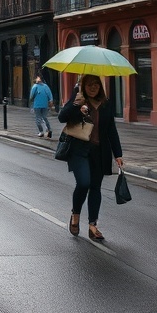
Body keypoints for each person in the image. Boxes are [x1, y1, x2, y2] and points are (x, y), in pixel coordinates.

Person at [57, 74, 123, 241]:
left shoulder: (106, 104)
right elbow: (62, 117)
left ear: (100, 86)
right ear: (83, 86)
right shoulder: (78, 100)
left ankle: (93, 226)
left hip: (99, 152)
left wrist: (118, 154)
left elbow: (111, 130)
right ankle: (75, 214)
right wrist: (76, 105)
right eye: (89, 85)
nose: (93, 87)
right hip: (78, 151)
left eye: (96, 84)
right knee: (83, 183)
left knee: (95, 187)